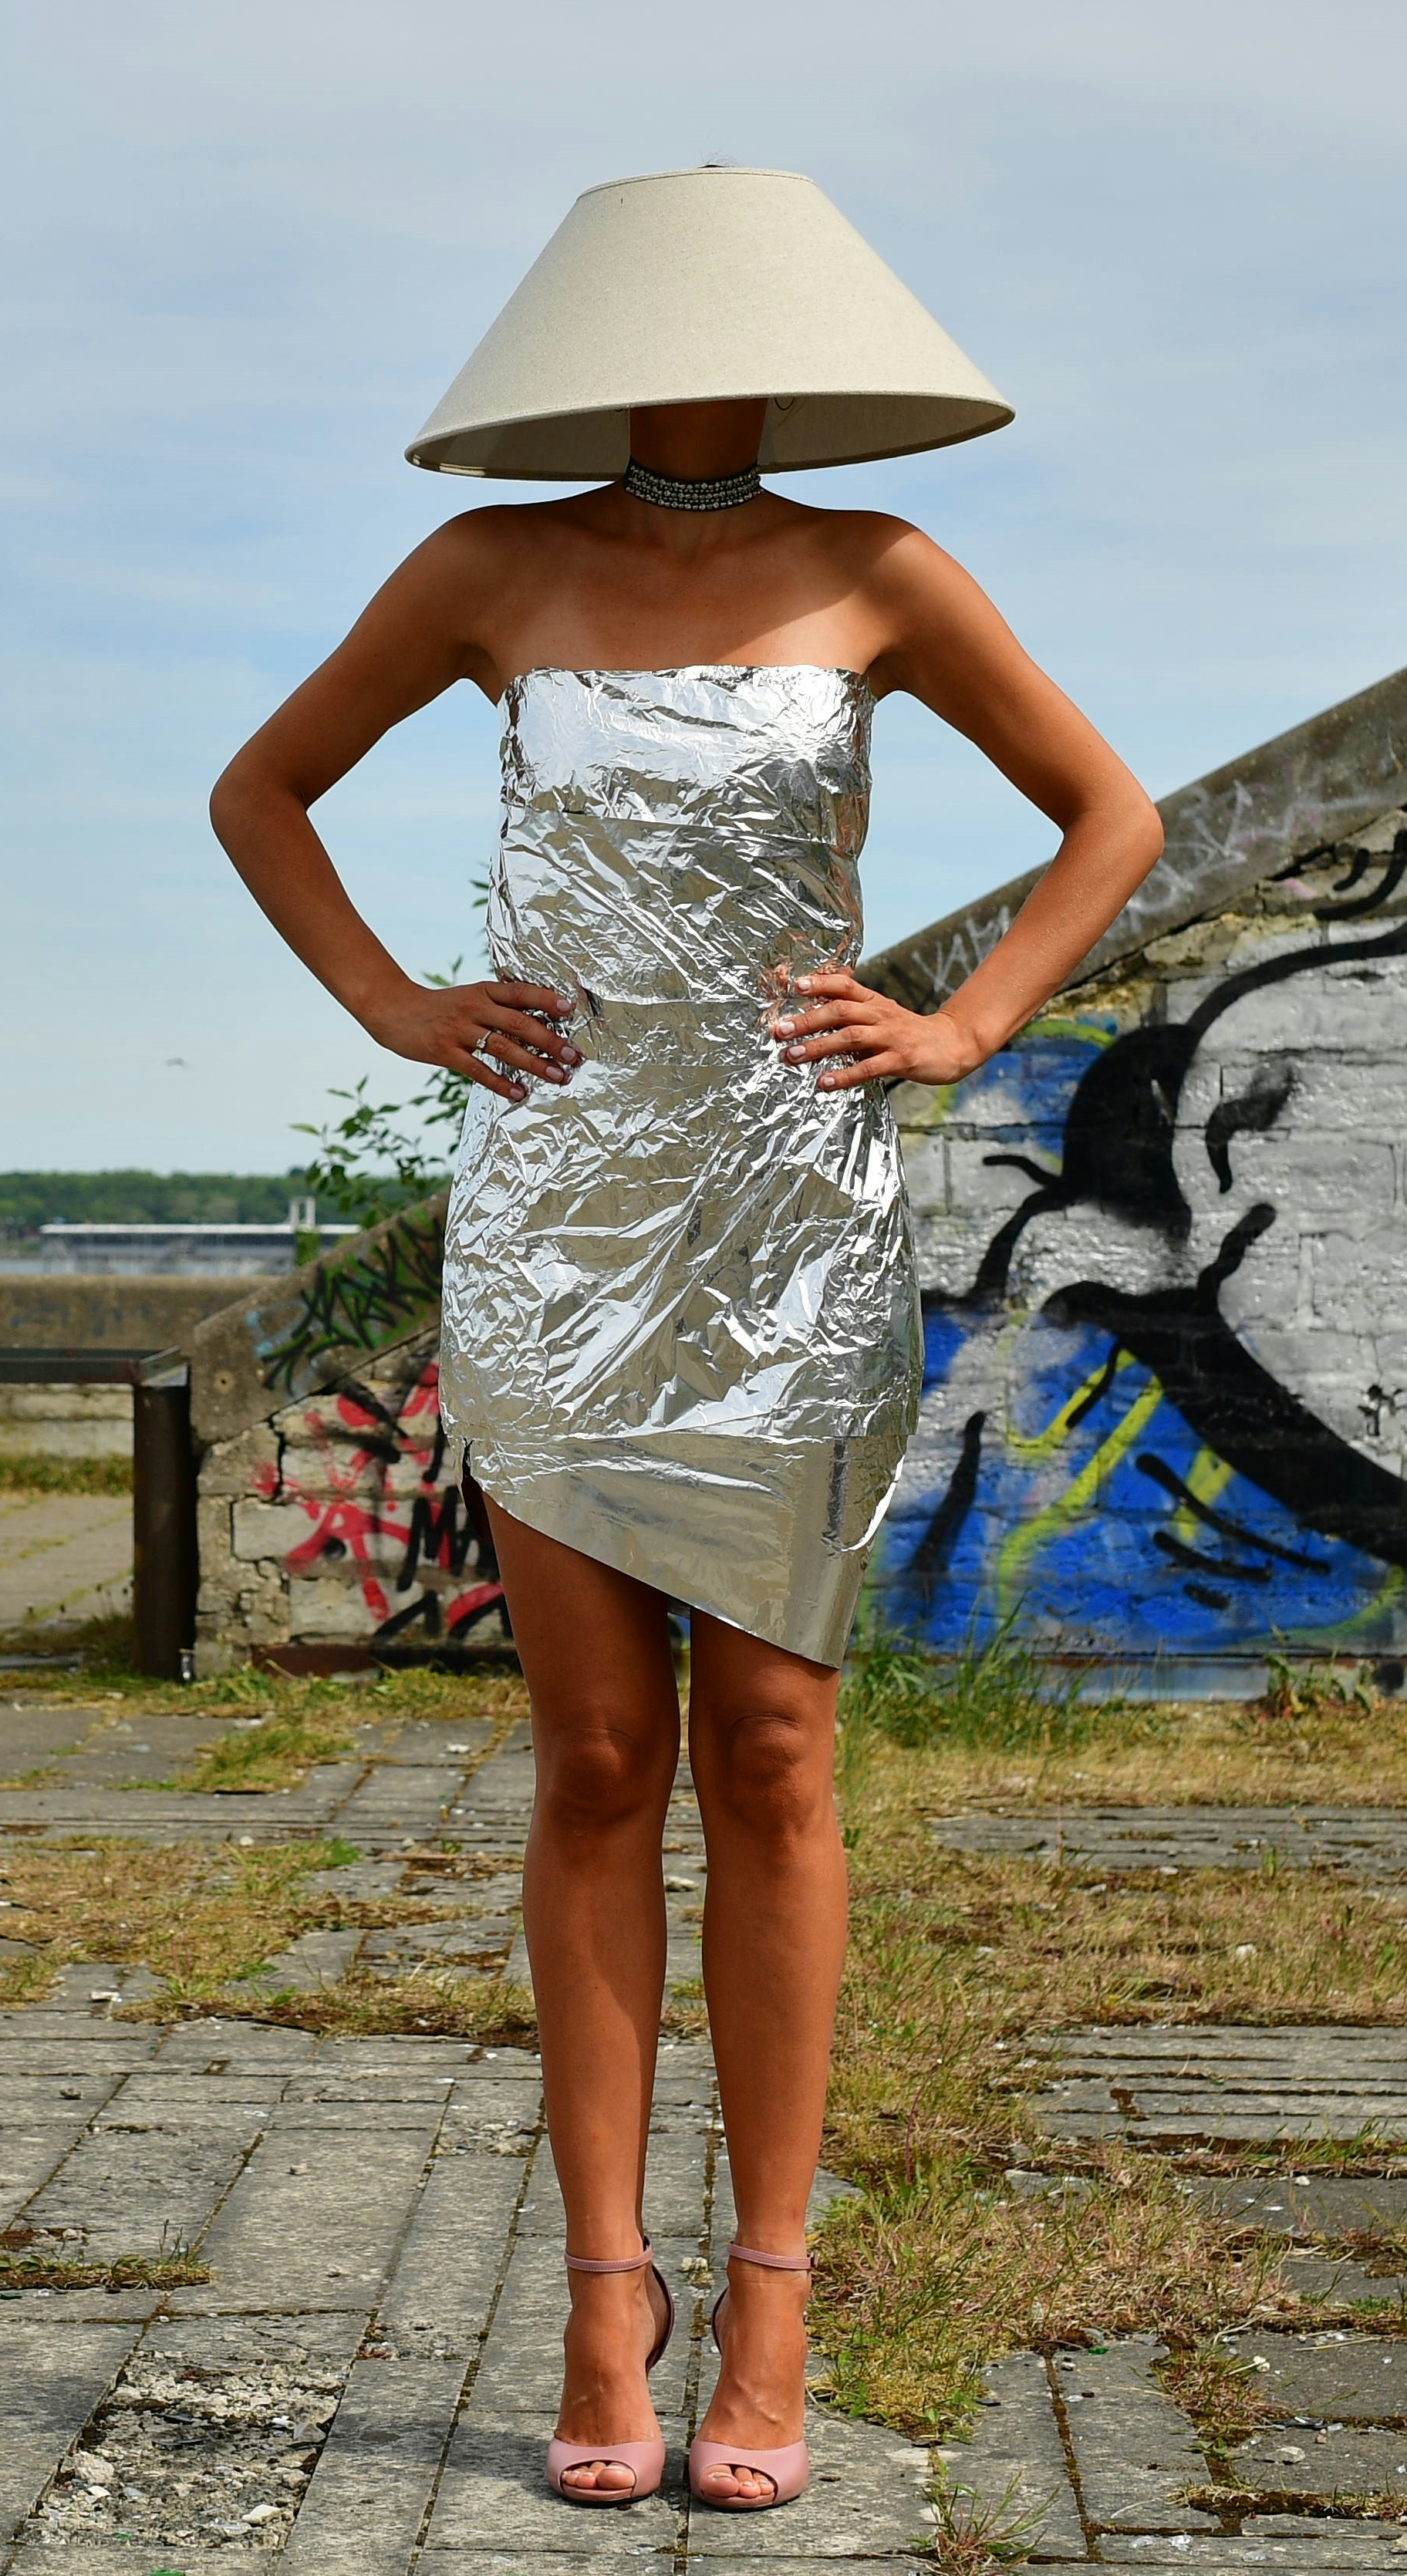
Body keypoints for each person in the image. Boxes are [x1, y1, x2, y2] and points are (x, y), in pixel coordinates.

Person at [209, 169, 1160, 2510]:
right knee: (600, 1762)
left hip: (797, 1231)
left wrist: (958, 1029)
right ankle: (605, 2302)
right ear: (599, 355)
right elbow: (263, 791)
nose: (695, 369)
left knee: (774, 1749)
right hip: (559, 1223)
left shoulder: (883, 572)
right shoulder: (489, 572)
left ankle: (774, 2307)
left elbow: (1106, 815)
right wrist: (402, 1007)